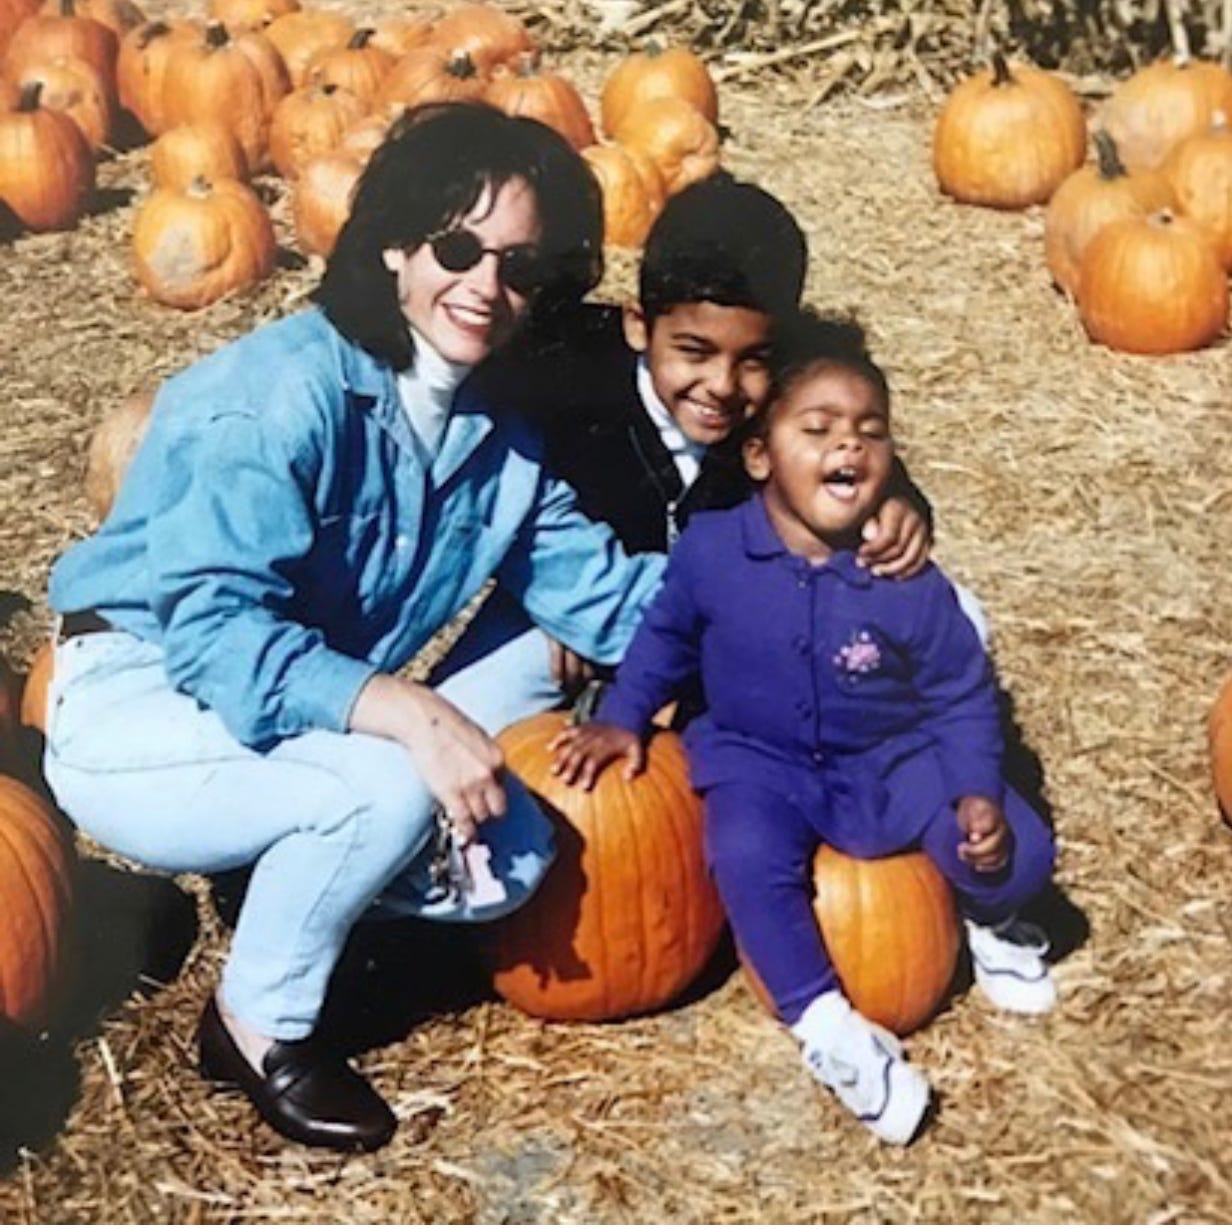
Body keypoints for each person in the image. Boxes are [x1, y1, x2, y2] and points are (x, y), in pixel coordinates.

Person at [40, 102, 666, 1153]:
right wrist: (411, 718)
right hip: (139, 694)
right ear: (392, 243)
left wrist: (806, 610)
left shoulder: (500, 435)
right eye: (457, 247)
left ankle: (298, 867)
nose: (485, 286)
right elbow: (214, 639)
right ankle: (255, 1026)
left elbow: (604, 595)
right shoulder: (276, 395)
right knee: (386, 782)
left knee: (511, 855)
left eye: (518, 265)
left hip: (282, 701)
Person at [549, 311, 1058, 1147]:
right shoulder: (713, 551)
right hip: (763, 759)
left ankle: (992, 919)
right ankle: (826, 1027)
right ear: (759, 455)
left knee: (1019, 848)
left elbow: (962, 690)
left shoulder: (903, 575)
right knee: (745, 856)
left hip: (895, 759)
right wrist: (623, 716)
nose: (846, 448)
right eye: (817, 429)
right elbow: (666, 639)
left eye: (870, 433)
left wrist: (974, 795)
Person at [434, 173, 936, 729]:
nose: (722, 385)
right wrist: (558, 605)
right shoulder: (567, 378)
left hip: (719, 629)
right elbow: (501, 499)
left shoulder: (786, 403)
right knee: (453, 721)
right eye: (694, 351)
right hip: (569, 613)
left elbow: (851, 454)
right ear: (638, 327)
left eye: (753, 359)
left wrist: (898, 503)